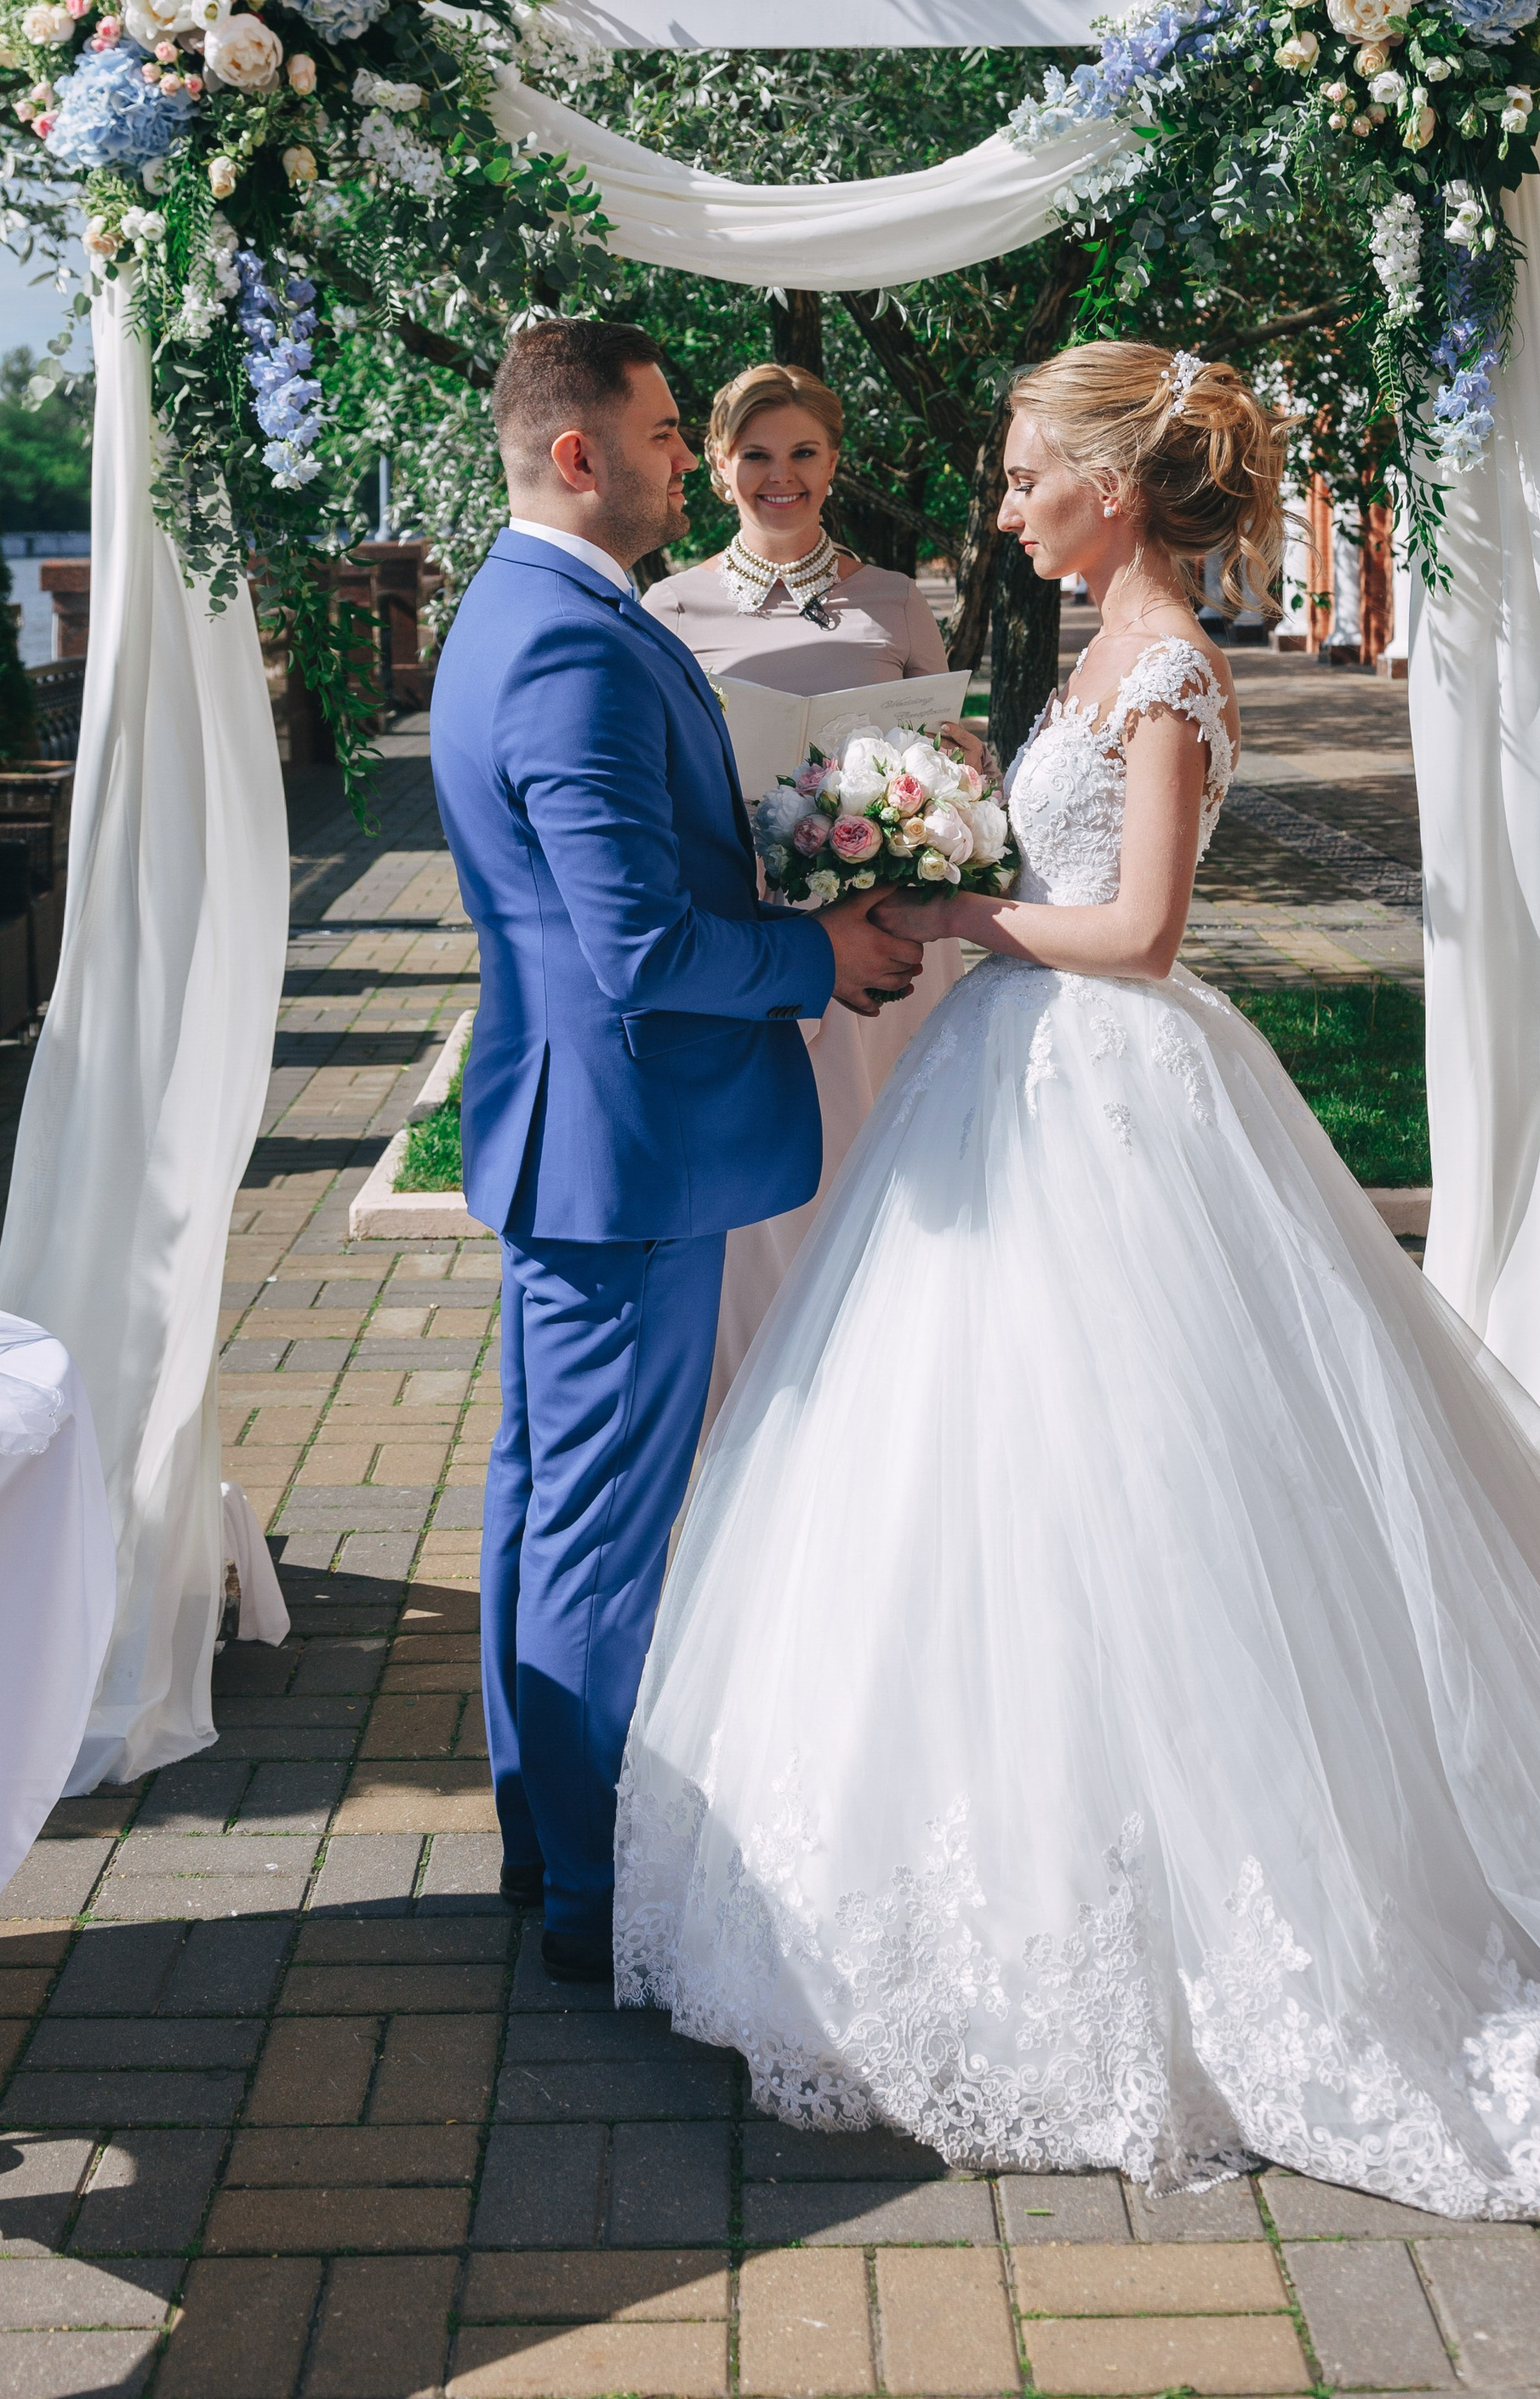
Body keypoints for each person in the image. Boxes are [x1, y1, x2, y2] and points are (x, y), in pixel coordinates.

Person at [614, 337, 1540, 2219]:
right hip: (1011, 1081)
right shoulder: (1085, 657)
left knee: (1159, 1474)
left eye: (1032, 469)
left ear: (1113, 485)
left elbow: (1135, 929)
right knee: (985, 1476)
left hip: (1107, 1085)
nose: (1010, 497)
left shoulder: (1172, 669)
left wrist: (957, 908)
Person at [428, 318, 921, 1981]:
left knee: (537, 1500)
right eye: (654, 435)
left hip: (573, 1125)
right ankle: (590, 1886)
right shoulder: (568, 641)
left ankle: (536, 1834)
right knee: (595, 1527)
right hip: (623, 1145)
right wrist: (822, 961)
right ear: (579, 455)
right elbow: (635, 942)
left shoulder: (526, 607)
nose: (674, 459)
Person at [642, 362, 966, 1417]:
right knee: (768, 1184)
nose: (780, 477)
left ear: (834, 461)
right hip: (747, 931)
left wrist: (951, 758)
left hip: (882, 920)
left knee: (887, 1162)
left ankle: (886, 1395)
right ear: (722, 467)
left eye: (803, 454)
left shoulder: (893, 598)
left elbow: (945, 745)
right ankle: (766, 1407)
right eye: (755, 456)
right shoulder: (667, 603)